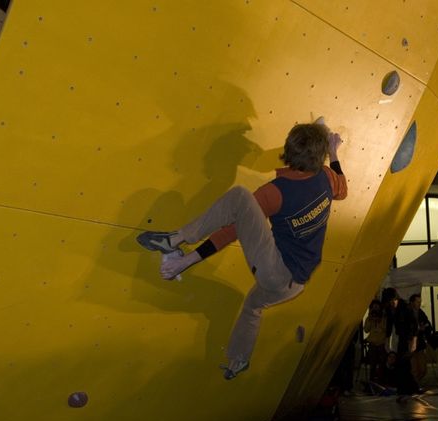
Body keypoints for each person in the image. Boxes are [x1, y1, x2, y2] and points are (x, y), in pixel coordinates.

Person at [137, 118, 347, 379]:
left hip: (276, 272)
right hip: (295, 285)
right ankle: (239, 360)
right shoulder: (327, 179)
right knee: (252, 308)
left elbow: (233, 229)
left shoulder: (275, 192)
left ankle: (175, 239)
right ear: (321, 158)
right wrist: (334, 151)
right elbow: (343, 188)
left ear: (287, 153)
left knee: (239, 197)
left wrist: (186, 261)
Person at [364, 299, 387, 380]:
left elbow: (386, 329)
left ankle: (381, 379)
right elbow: (366, 330)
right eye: (374, 307)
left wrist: (380, 321)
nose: (376, 309)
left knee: (382, 363)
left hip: (381, 343)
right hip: (372, 344)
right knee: (372, 364)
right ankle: (371, 380)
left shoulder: (384, 318)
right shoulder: (369, 318)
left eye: (377, 307)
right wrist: (370, 320)